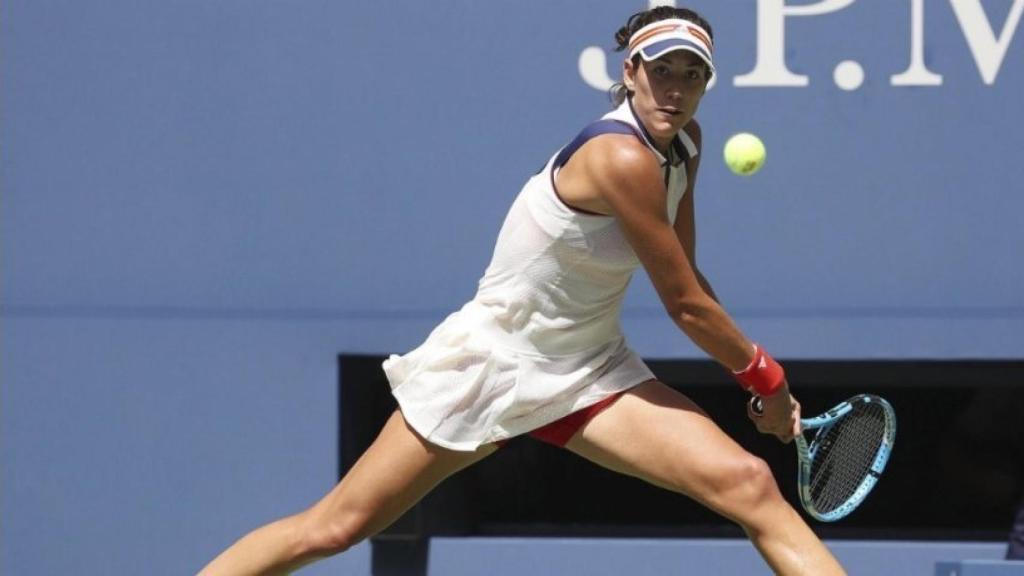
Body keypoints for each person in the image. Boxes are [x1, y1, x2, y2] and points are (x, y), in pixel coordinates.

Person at [199, 6, 846, 575]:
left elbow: (689, 280)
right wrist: (767, 380)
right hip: (493, 365)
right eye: (662, 71)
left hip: (588, 369)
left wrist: (760, 379)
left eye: (693, 75)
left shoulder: (685, 146)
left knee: (748, 484)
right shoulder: (620, 158)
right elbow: (683, 306)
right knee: (333, 529)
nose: (675, 90)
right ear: (630, 73)